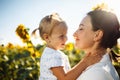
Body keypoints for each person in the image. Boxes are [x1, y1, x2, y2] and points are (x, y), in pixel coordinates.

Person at [32, 13, 102, 80]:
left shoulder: (50, 53)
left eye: (65, 35)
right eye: (61, 36)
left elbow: (68, 74)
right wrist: (85, 62)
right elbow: (65, 78)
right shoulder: (53, 55)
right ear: (47, 37)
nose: (66, 39)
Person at [73, 9, 120, 80]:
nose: (74, 34)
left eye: (81, 28)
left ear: (97, 35)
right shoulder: (97, 68)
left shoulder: (96, 73)